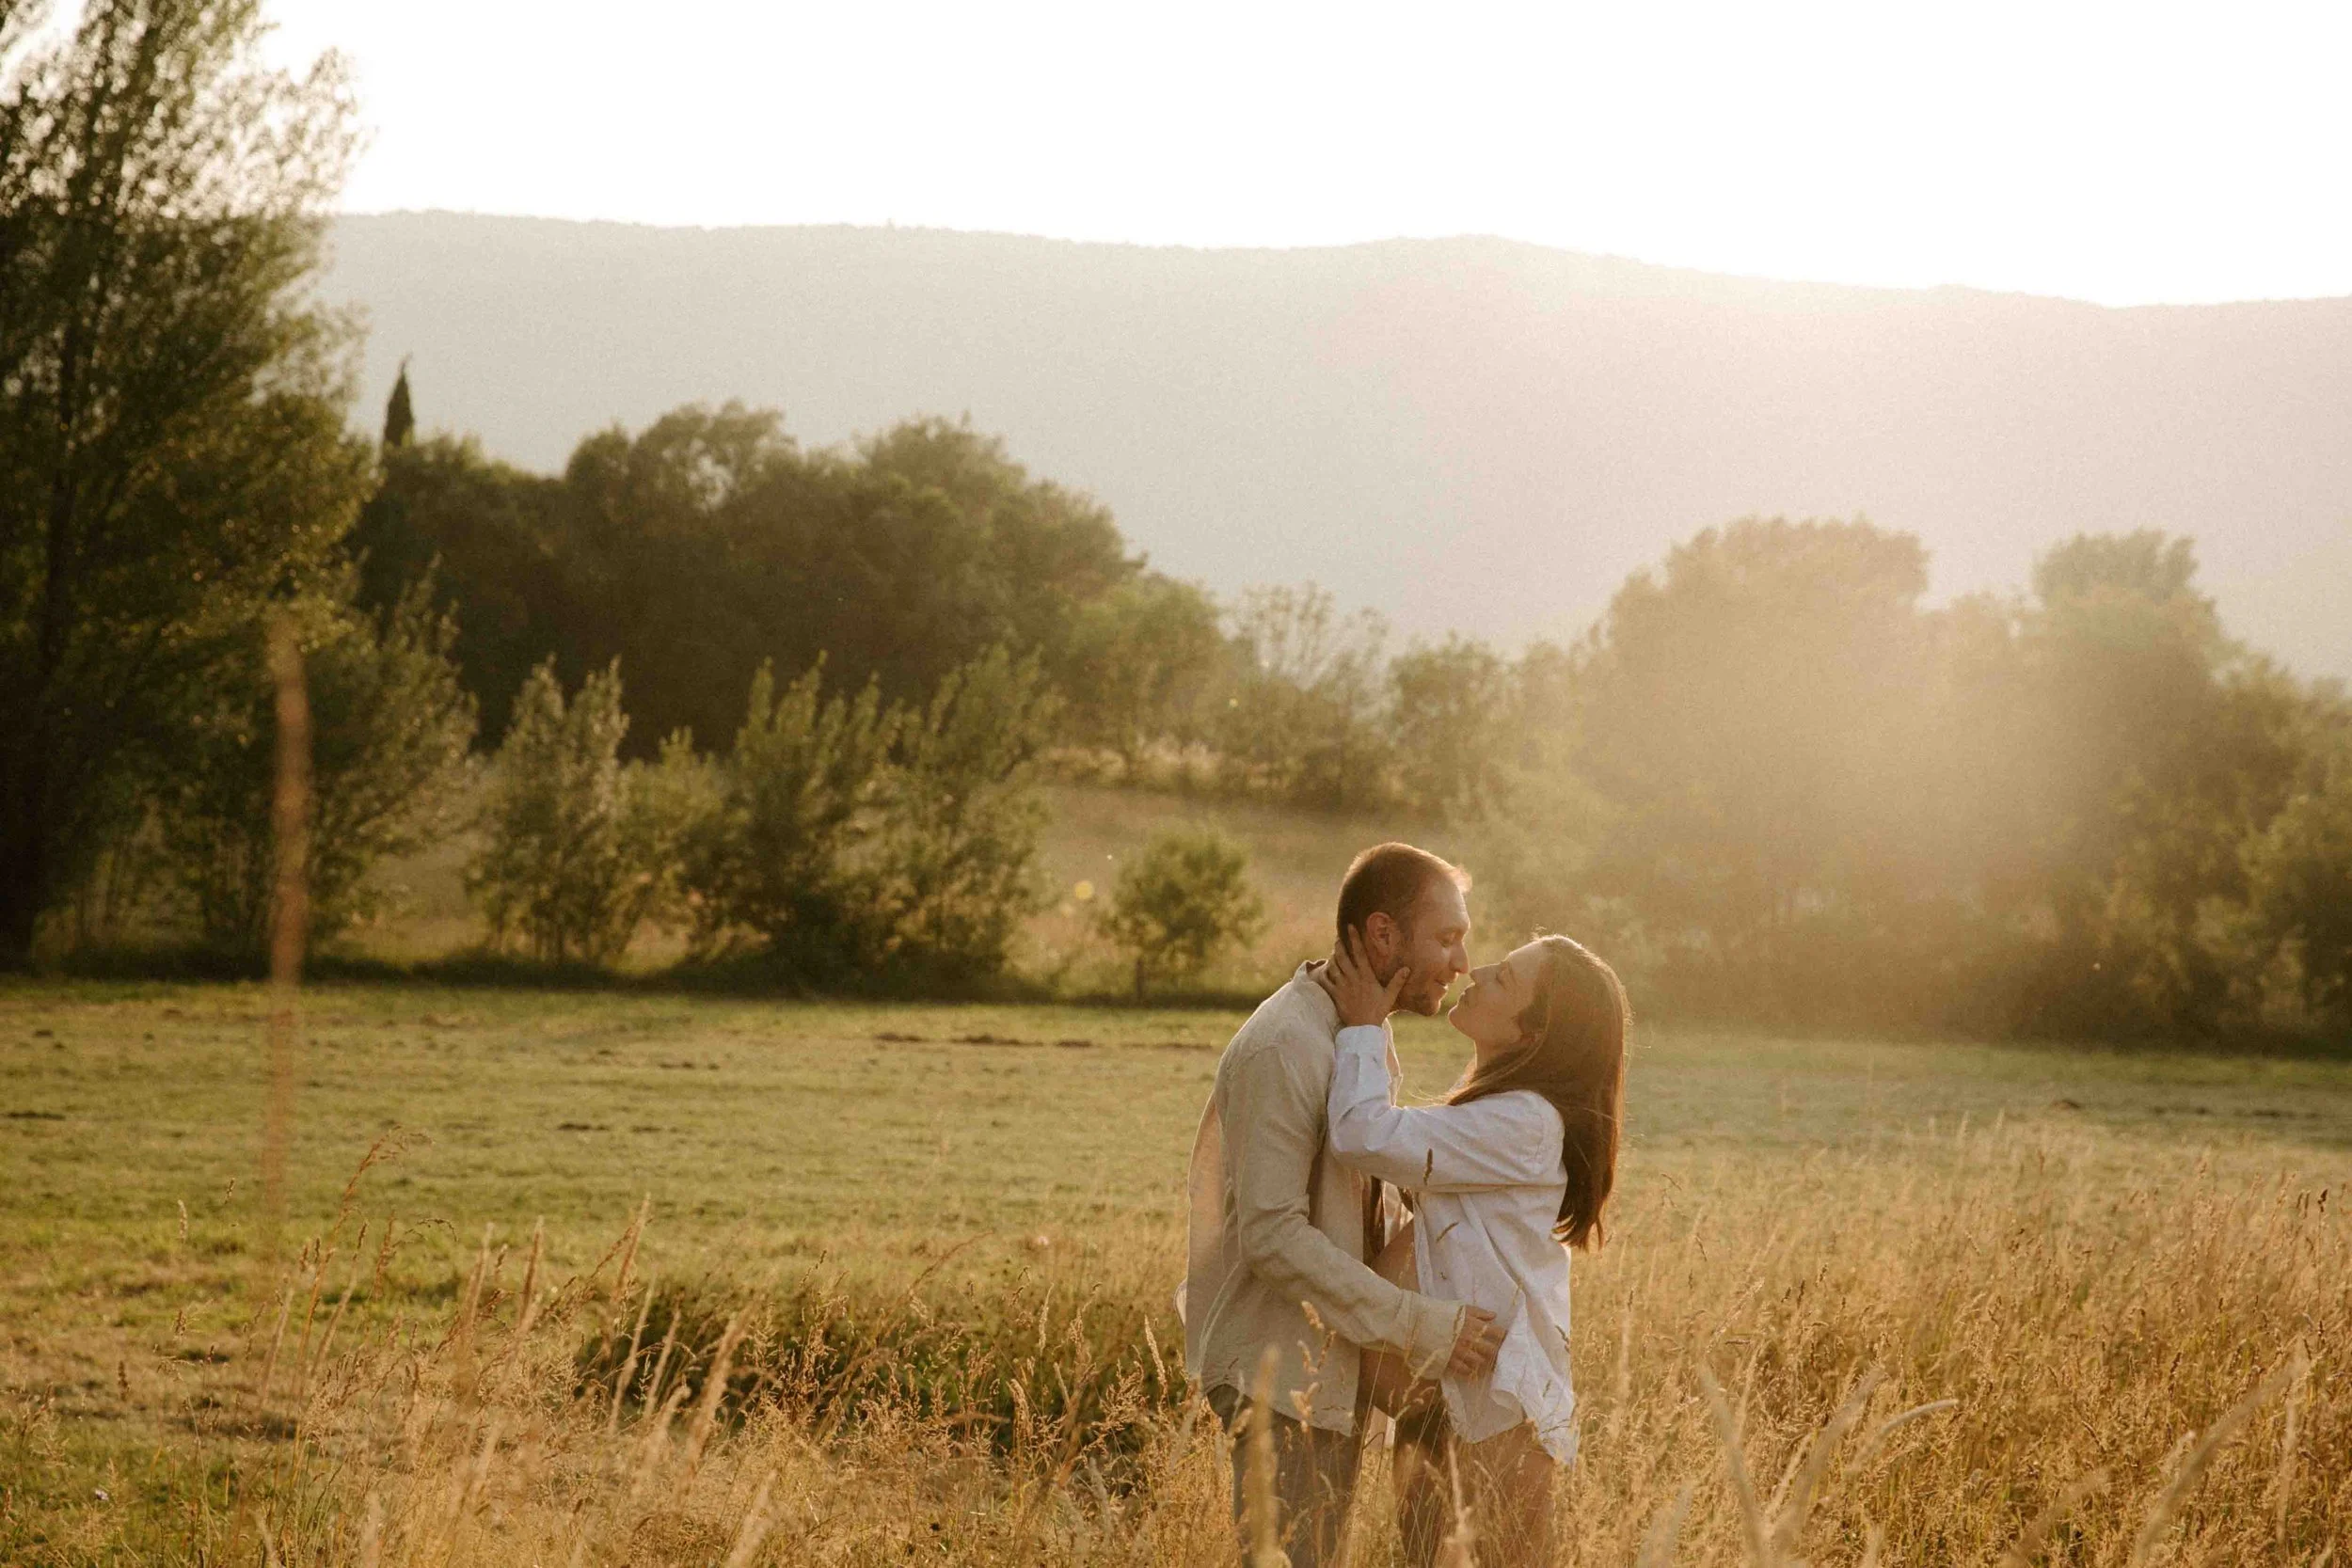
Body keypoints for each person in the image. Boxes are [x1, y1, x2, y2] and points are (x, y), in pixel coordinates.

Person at [1182, 842, 1508, 1568]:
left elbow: (1359, 1187)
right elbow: (1272, 1236)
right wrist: (1421, 1324)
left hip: (1330, 1370)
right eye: (1447, 937)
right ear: (1384, 934)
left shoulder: (1361, 1027)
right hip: (1281, 1379)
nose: (1461, 963)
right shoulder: (1286, 1044)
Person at [1320, 927, 1629, 1568]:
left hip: (1497, 1410)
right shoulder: (1505, 1113)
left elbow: (1361, 1132)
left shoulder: (1526, 1121)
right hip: (1449, 1396)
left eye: (1505, 978)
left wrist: (1365, 1024)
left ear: (1531, 1034)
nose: (1478, 971)